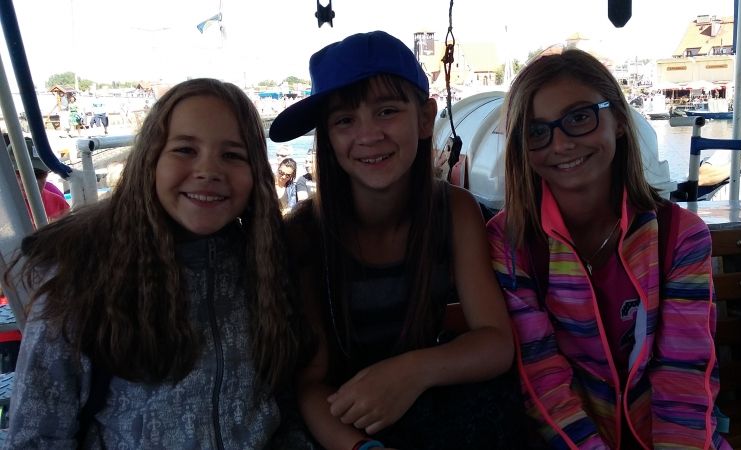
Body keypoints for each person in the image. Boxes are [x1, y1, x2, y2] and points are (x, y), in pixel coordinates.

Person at [3, 78, 311, 448]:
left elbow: (284, 400)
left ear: (256, 174)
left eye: (232, 155)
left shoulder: (266, 265)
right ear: (150, 160)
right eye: (185, 149)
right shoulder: (83, 275)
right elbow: (38, 435)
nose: (208, 170)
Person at [271, 30, 529, 450]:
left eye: (387, 111)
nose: (368, 135)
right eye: (344, 120)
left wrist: (412, 372)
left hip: (435, 404)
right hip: (346, 425)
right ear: (327, 136)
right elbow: (311, 383)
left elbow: (496, 341)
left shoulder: (455, 211)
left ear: (425, 118)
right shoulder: (304, 234)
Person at [487, 48, 730, 449]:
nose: (561, 144)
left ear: (617, 120)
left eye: (579, 118)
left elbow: (684, 376)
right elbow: (541, 376)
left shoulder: (680, 237)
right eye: (537, 131)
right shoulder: (510, 242)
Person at [7, 135, 70, 222]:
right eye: (19, 174)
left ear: (46, 174)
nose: (28, 181)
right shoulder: (4, 207)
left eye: (37, 174)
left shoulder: (58, 204)